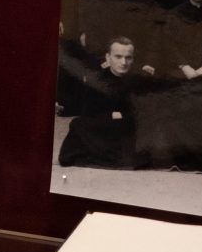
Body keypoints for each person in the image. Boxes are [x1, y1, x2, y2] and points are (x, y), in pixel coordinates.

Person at [59, 38, 141, 169]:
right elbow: (89, 114)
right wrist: (113, 116)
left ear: (133, 59)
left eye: (128, 57)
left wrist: (122, 116)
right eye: (118, 57)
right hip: (104, 129)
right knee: (78, 125)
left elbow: (143, 112)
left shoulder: (138, 81)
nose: (123, 62)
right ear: (108, 58)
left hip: (130, 129)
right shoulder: (97, 82)